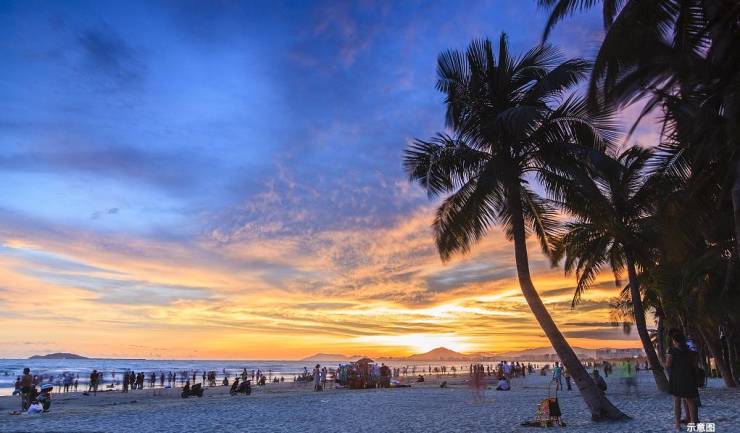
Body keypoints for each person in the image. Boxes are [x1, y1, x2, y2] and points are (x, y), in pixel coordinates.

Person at [667, 331, 699, 431]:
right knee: (690, 401)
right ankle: (693, 423)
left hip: (677, 378)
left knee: (677, 402)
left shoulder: (672, 350)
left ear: (675, 341)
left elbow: (668, 364)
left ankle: (677, 425)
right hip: (689, 378)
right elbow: (694, 364)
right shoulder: (689, 351)